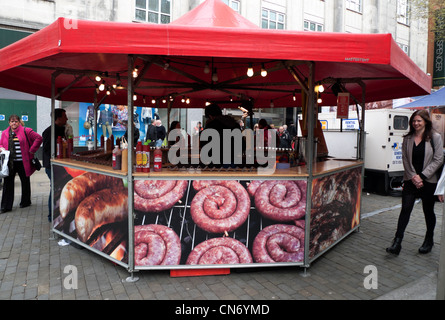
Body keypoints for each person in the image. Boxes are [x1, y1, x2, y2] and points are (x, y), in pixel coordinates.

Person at [386, 110, 443, 255]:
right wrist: (414, 177)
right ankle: (397, 242)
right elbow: (405, 159)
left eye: (419, 121)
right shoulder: (408, 138)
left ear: (425, 121)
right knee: (405, 209)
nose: (416, 123)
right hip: (410, 180)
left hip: (429, 181)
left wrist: (422, 176)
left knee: (428, 211)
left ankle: (429, 240)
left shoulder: (435, 137)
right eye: (414, 121)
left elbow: (438, 159)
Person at [0, 114, 42, 214]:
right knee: (7, 183)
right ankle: (6, 206)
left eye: (16, 121)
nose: (14, 123)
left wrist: (32, 150)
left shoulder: (26, 130)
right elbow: (1, 143)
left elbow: (39, 138)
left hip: (23, 162)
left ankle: (25, 202)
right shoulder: (5, 133)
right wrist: (1, 148)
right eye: (12, 121)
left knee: (25, 181)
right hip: (10, 162)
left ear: (19, 122)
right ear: (9, 123)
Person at [42, 108, 68, 221]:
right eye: (64, 116)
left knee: (57, 188)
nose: (66, 118)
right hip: (52, 165)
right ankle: (51, 216)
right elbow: (47, 149)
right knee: (55, 188)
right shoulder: (49, 131)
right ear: (58, 118)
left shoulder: (62, 129)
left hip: (59, 164)